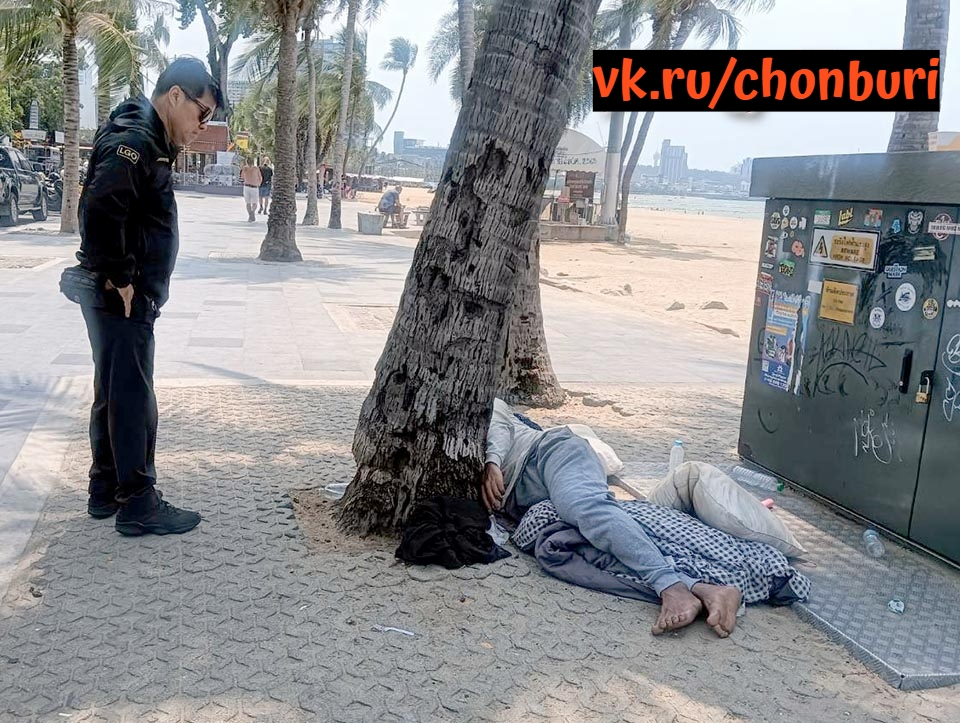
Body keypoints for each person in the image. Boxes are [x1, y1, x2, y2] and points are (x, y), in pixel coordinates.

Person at [75, 57, 222, 536]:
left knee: (114, 388)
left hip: (121, 292)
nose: (203, 126)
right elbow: (102, 204)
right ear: (176, 96)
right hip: (124, 294)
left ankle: (104, 488)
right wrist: (121, 276)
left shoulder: (145, 135)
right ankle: (138, 502)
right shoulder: (137, 139)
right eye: (202, 113)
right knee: (133, 395)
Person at [482, 398, 742, 637]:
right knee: (582, 548)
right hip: (526, 503)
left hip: (547, 455)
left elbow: (498, 418)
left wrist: (492, 462)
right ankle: (704, 589)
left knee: (584, 508)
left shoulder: (482, 398)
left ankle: (671, 587)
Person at [239, 157, 262, 222]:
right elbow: (260, 177)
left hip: (246, 186)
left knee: (248, 203)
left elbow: (242, 177)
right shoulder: (256, 168)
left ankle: (250, 216)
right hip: (254, 187)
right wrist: (259, 183)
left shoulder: (244, 168)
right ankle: (252, 213)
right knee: (255, 203)